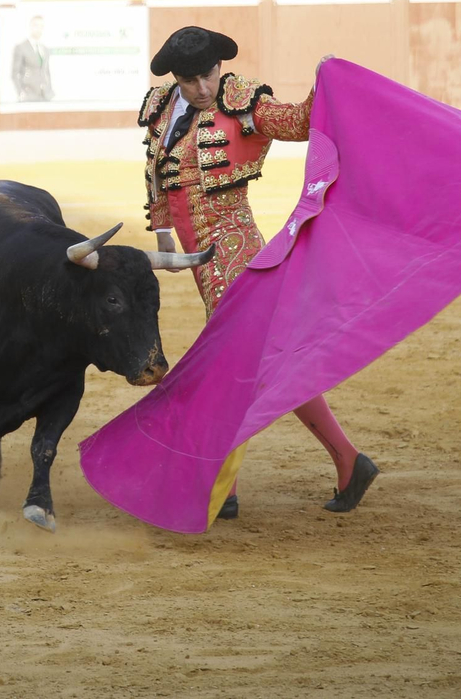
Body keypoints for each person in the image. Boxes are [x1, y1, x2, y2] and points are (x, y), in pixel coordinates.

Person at [140, 27, 375, 518]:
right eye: (190, 80)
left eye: (207, 75)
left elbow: (298, 122)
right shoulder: (163, 107)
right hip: (199, 258)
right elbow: (159, 176)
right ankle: (349, 461)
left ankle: (222, 488)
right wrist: (164, 238)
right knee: (267, 364)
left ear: (218, 68)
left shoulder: (241, 102)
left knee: (233, 367)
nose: (202, 89)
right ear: (174, 78)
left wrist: (324, 79)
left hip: (234, 248)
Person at [11, 16, 53, 101]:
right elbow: (15, 74)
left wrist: (49, 90)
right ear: (30, 27)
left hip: (45, 95)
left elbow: (46, 72)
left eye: (41, 26)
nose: (39, 29)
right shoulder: (21, 47)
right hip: (28, 95)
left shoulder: (45, 49)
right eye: (36, 25)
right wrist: (20, 92)